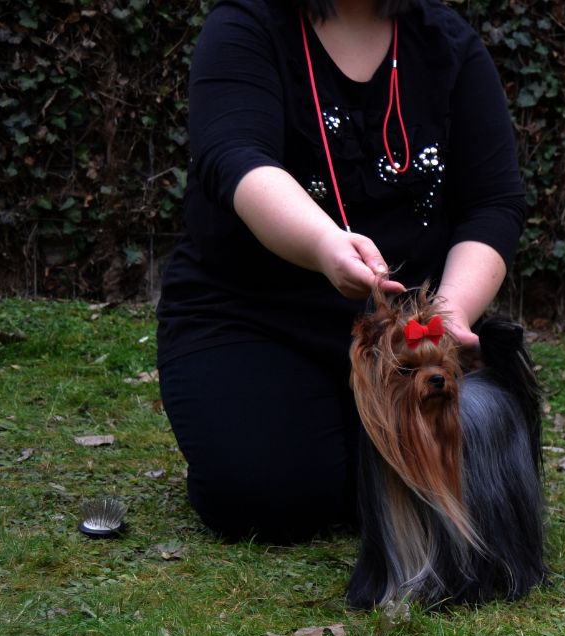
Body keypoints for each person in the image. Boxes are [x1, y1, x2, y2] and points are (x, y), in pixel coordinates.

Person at [156, 0, 526, 543]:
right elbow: (235, 157)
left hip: (402, 340)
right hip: (252, 316)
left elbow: (494, 201)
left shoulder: (449, 44)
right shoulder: (246, 25)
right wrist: (324, 244)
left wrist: (450, 312)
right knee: (269, 497)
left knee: (468, 482)